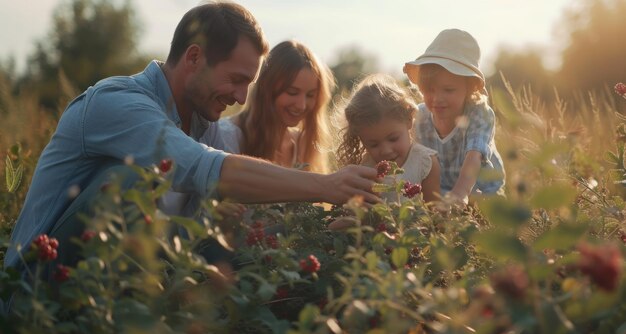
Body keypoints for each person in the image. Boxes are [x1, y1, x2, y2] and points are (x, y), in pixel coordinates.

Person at [4, 2, 379, 270]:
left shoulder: (204, 125)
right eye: (235, 79)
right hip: (40, 292)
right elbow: (206, 168)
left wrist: (321, 229)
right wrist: (326, 185)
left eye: (248, 83)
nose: (241, 98)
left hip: (139, 279)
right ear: (194, 58)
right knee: (129, 179)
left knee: (243, 261)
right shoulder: (117, 103)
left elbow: (231, 213)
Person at [403, 28, 505, 203]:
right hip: (440, 191)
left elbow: (474, 156)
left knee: (482, 211)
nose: (437, 99)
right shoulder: (419, 116)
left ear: (470, 88)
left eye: (448, 90)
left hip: (482, 189)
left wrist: (459, 194)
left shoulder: (479, 113)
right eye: (429, 90)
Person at [217, 39, 334, 173]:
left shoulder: (303, 144)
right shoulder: (227, 136)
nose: (301, 105)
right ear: (268, 90)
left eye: (310, 95)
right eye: (292, 92)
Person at [335, 74, 441, 203]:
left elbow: (435, 213)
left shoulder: (425, 162)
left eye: (393, 139)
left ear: (408, 120)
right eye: (373, 144)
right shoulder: (365, 167)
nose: (385, 150)